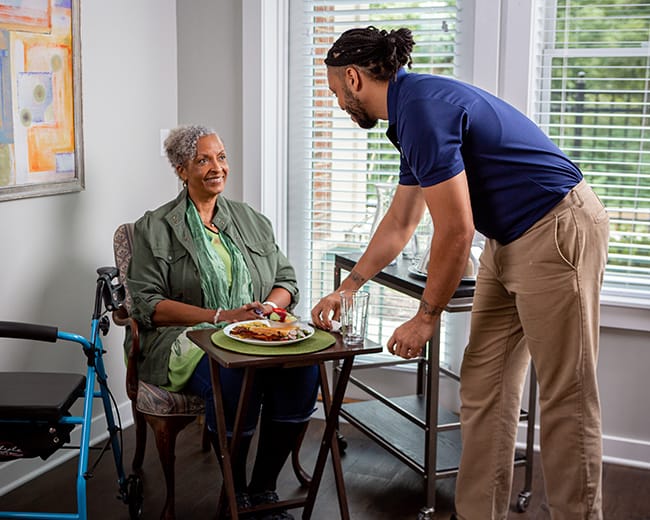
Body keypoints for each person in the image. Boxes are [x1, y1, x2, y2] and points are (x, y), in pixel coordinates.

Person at [311, 26, 609, 520]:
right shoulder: (411, 112)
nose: (339, 102)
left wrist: (426, 317)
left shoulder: (422, 110)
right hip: (509, 239)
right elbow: (402, 221)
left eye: (336, 92)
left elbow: (454, 230)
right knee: (484, 385)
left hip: (558, 228)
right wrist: (349, 286)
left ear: (352, 78)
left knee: (566, 398)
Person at [127, 124, 317, 520]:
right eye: (204, 160)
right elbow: (148, 305)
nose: (218, 167)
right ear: (182, 170)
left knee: (304, 371)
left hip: (255, 332)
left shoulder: (250, 219)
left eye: (222, 157)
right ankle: (236, 491)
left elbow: (286, 281)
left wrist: (267, 309)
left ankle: (263, 488)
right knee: (233, 375)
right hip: (189, 339)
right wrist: (221, 318)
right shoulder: (155, 227)